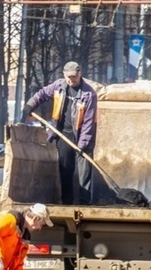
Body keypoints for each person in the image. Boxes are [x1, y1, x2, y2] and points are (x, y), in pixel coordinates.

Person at [20, 61, 97, 205]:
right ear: (64, 74)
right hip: (63, 134)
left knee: (84, 174)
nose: (71, 80)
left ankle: (85, 203)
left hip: (82, 137)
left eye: (74, 76)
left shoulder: (89, 94)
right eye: (68, 76)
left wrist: (82, 144)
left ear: (80, 74)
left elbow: (89, 122)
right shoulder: (59, 86)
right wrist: (30, 105)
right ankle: (67, 202)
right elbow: (41, 94)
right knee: (65, 171)